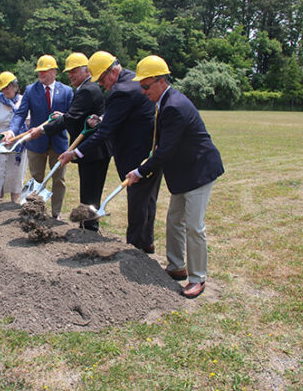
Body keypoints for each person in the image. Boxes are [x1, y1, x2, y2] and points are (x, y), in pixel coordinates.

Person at [125, 55, 224, 299]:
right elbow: (162, 146)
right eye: (141, 86)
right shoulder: (164, 102)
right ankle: (176, 266)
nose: (143, 91)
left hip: (198, 171)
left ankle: (198, 278)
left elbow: (166, 151)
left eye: (146, 86)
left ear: (160, 81)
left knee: (194, 226)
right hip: (183, 172)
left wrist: (140, 171)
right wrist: (149, 159)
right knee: (174, 220)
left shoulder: (174, 107)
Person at [59, 51, 162, 253]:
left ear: (112, 71)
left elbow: (104, 133)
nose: (102, 84)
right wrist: (105, 117)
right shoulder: (133, 78)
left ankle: (134, 250)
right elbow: (121, 113)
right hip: (152, 150)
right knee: (148, 199)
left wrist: (75, 153)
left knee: (137, 201)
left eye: (102, 79)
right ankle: (147, 242)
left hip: (135, 152)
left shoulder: (121, 90)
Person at [30, 52, 111, 231]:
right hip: (91, 150)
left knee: (90, 193)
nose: (71, 75)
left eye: (74, 71)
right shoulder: (84, 89)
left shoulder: (88, 90)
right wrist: (65, 116)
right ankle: (87, 226)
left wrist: (42, 129)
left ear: (86, 70)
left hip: (94, 151)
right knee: (88, 192)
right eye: (68, 72)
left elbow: (72, 119)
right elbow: (76, 116)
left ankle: (89, 229)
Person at [3, 55, 73, 219]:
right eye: (39, 71)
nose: (41, 74)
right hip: (36, 142)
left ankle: (56, 214)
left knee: (59, 180)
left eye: (45, 70)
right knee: (37, 179)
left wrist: (64, 116)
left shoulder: (67, 91)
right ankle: (36, 211)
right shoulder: (30, 90)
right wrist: (12, 131)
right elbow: (20, 114)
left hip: (58, 142)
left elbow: (73, 115)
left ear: (54, 71)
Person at [0, 72, 28, 202]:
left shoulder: (23, 100)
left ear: (15, 86)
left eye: (8, 87)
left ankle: (14, 203)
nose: (6, 90)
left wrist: (17, 137)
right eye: (3, 88)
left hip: (17, 143)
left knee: (16, 173)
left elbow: (28, 123)